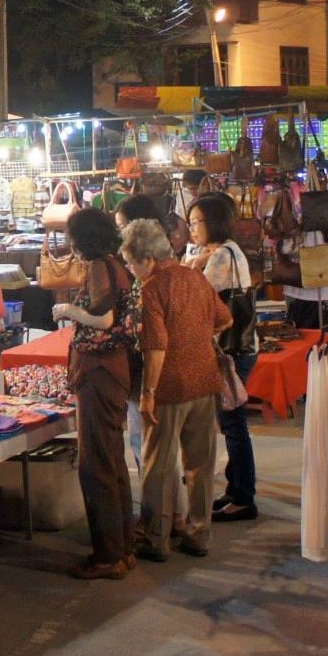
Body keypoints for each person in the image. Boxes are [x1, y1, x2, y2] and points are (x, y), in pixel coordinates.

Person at [122, 218, 227, 561]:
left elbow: (156, 346)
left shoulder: (153, 287)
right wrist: (198, 339)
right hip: (204, 380)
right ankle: (199, 535)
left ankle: (156, 539)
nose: (129, 269)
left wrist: (147, 393)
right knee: (200, 464)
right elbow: (225, 319)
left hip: (168, 386)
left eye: (129, 262)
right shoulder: (195, 277)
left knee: (159, 466)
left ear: (145, 258)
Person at [52, 207, 136, 579]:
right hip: (111, 371)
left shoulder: (102, 267)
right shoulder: (115, 264)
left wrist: (69, 310)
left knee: (97, 464)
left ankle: (108, 556)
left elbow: (105, 318)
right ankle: (123, 549)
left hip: (100, 371)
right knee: (112, 460)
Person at [189, 194, 259, 522]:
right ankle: (235, 489)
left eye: (196, 222)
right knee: (233, 422)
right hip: (241, 348)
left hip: (231, 350)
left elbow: (195, 297)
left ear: (213, 221)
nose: (192, 229)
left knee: (233, 423)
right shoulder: (228, 251)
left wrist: (192, 265)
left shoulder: (220, 256)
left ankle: (244, 497)